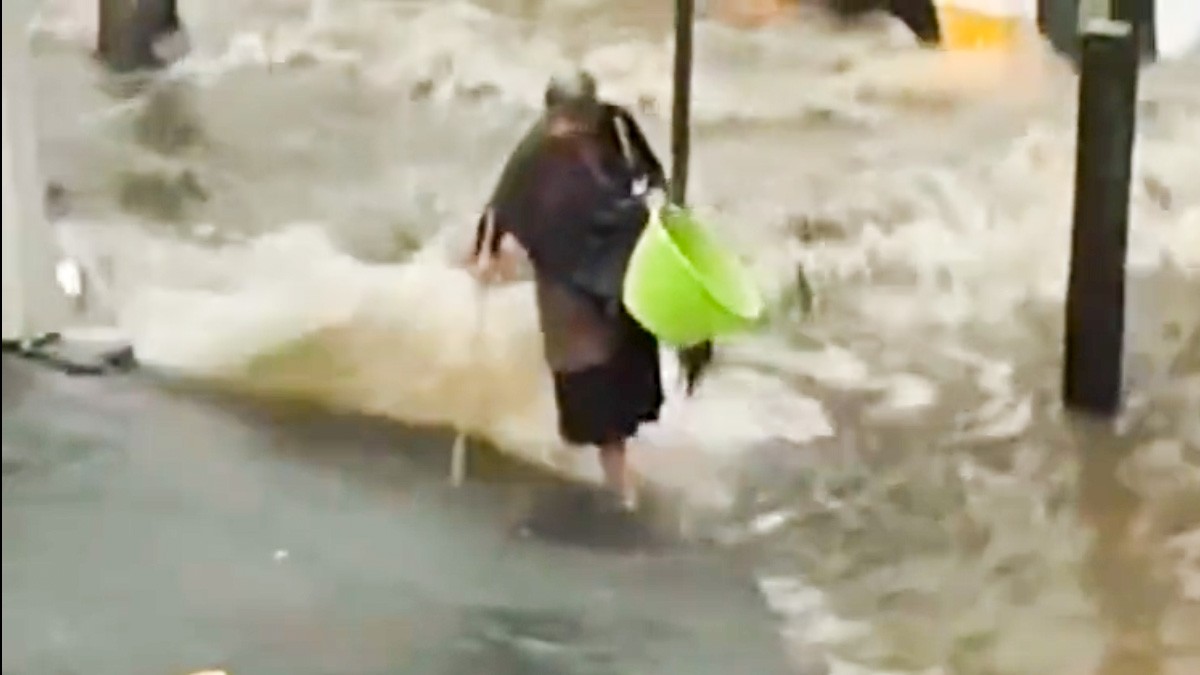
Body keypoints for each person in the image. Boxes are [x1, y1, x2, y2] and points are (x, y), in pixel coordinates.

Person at [466, 70, 709, 509]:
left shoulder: (614, 127)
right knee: (587, 370)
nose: (568, 130)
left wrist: (666, 220)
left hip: (616, 257)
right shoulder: (536, 148)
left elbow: (653, 178)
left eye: (577, 119)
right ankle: (617, 479)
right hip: (565, 271)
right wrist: (486, 251)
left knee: (628, 364)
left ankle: (625, 461)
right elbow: (501, 202)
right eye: (562, 120)